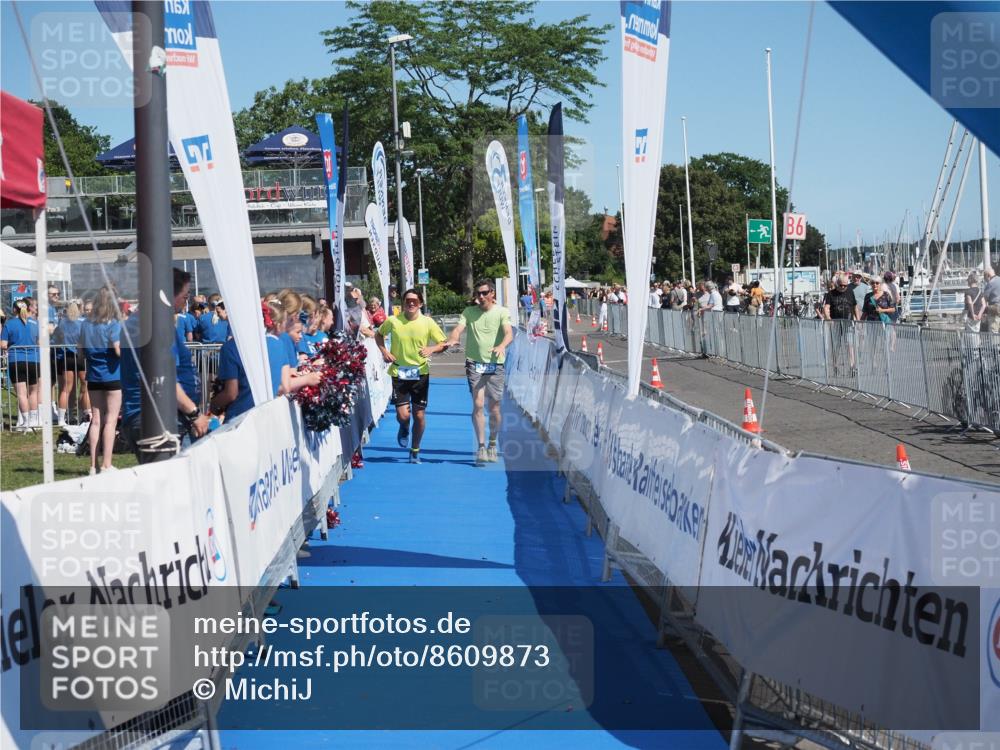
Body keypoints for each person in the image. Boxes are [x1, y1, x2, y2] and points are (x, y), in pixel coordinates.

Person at [376, 288, 449, 464]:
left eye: (414, 301)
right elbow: (378, 335)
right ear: (403, 303)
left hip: (420, 373)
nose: (411, 303)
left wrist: (431, 349)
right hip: (399, 373)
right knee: (403, 416)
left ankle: (415, 449)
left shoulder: (428, 322)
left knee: (419, 415)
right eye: (407, 300)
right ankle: (404, 427)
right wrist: (384, 351)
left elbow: (443, 343)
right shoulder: (393, 321)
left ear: (420, 304)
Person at [446, 278, 514, 466]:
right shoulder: (469, 312)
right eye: (478, 294)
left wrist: (501, 345)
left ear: (492, 293)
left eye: (485, 293)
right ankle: (481, 446)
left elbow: (508, 332)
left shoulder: (502, 312)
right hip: (474, 364)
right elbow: (458, 329)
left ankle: (493, 443)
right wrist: (453, 338)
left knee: (494, 408)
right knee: (477, 404)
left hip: (495, 365)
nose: (481, 296)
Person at [80, 287, 122, 474]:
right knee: (110, 421)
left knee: (95, 420)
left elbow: (80, 350)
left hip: (94, 375)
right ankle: (106, 464)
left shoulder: (86, 324)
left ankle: (93, 465)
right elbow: (118, 349)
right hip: (113, 375)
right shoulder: (113, 324)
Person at [1, 298, 40, 430]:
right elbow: (40, 342)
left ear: (14, 310)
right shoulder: (35, 323)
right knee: (33, 392)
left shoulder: (10, 324)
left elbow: (3, 345)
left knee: (22, 394)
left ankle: (26, 422)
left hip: (16, 361)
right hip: (34, 360)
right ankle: (34, 421)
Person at [53, 301, 88, 425]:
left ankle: (62, 418)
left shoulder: (62, 323)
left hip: (67, 356)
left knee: (66, 389)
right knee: (84, 388)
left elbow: (56, 338)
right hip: (81, 356)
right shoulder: (83, 322)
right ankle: (86, 415)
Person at [983, 267, 1000, 334]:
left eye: (985, 279)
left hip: (995, 307)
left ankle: (994, 343)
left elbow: (985, 298)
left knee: (994, 329)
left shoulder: (990, 283)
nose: (986, 280)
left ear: (988, 275)